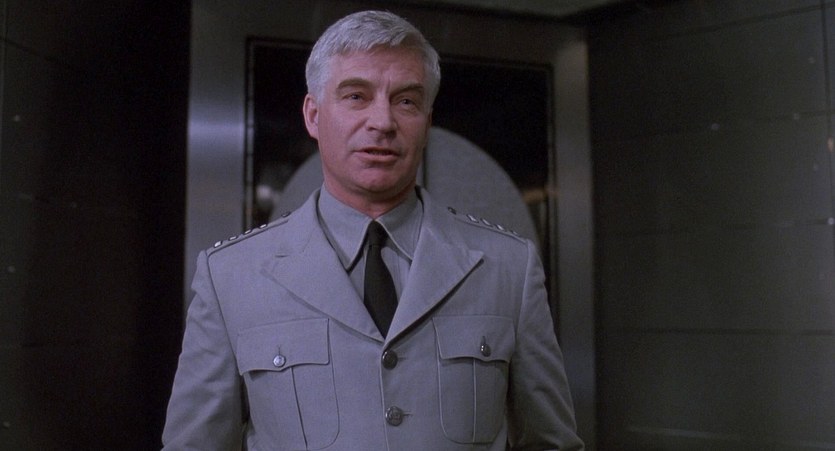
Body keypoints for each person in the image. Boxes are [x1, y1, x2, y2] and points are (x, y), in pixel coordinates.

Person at [162, 10, 583, 450]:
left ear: (427, 122)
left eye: (406, 101)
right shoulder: (231, 276)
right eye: (356, 96)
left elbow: (550, 442)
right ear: (313, 115)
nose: (383, 122)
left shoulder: (507, 267)